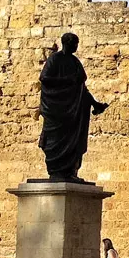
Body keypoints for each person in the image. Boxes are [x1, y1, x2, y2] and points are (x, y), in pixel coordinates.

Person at [38, 33, 108, 182]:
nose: (76, 46)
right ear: (67, 43)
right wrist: (67, 80)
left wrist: (95, 104)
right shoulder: (55, 59)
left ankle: (70, 172)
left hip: (74, 112)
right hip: (58, 109)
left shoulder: (75, 62)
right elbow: (44, 78)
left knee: (74, 143)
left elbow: (82, 89)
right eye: (75, 43)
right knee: (55, 141)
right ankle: (57, 173)